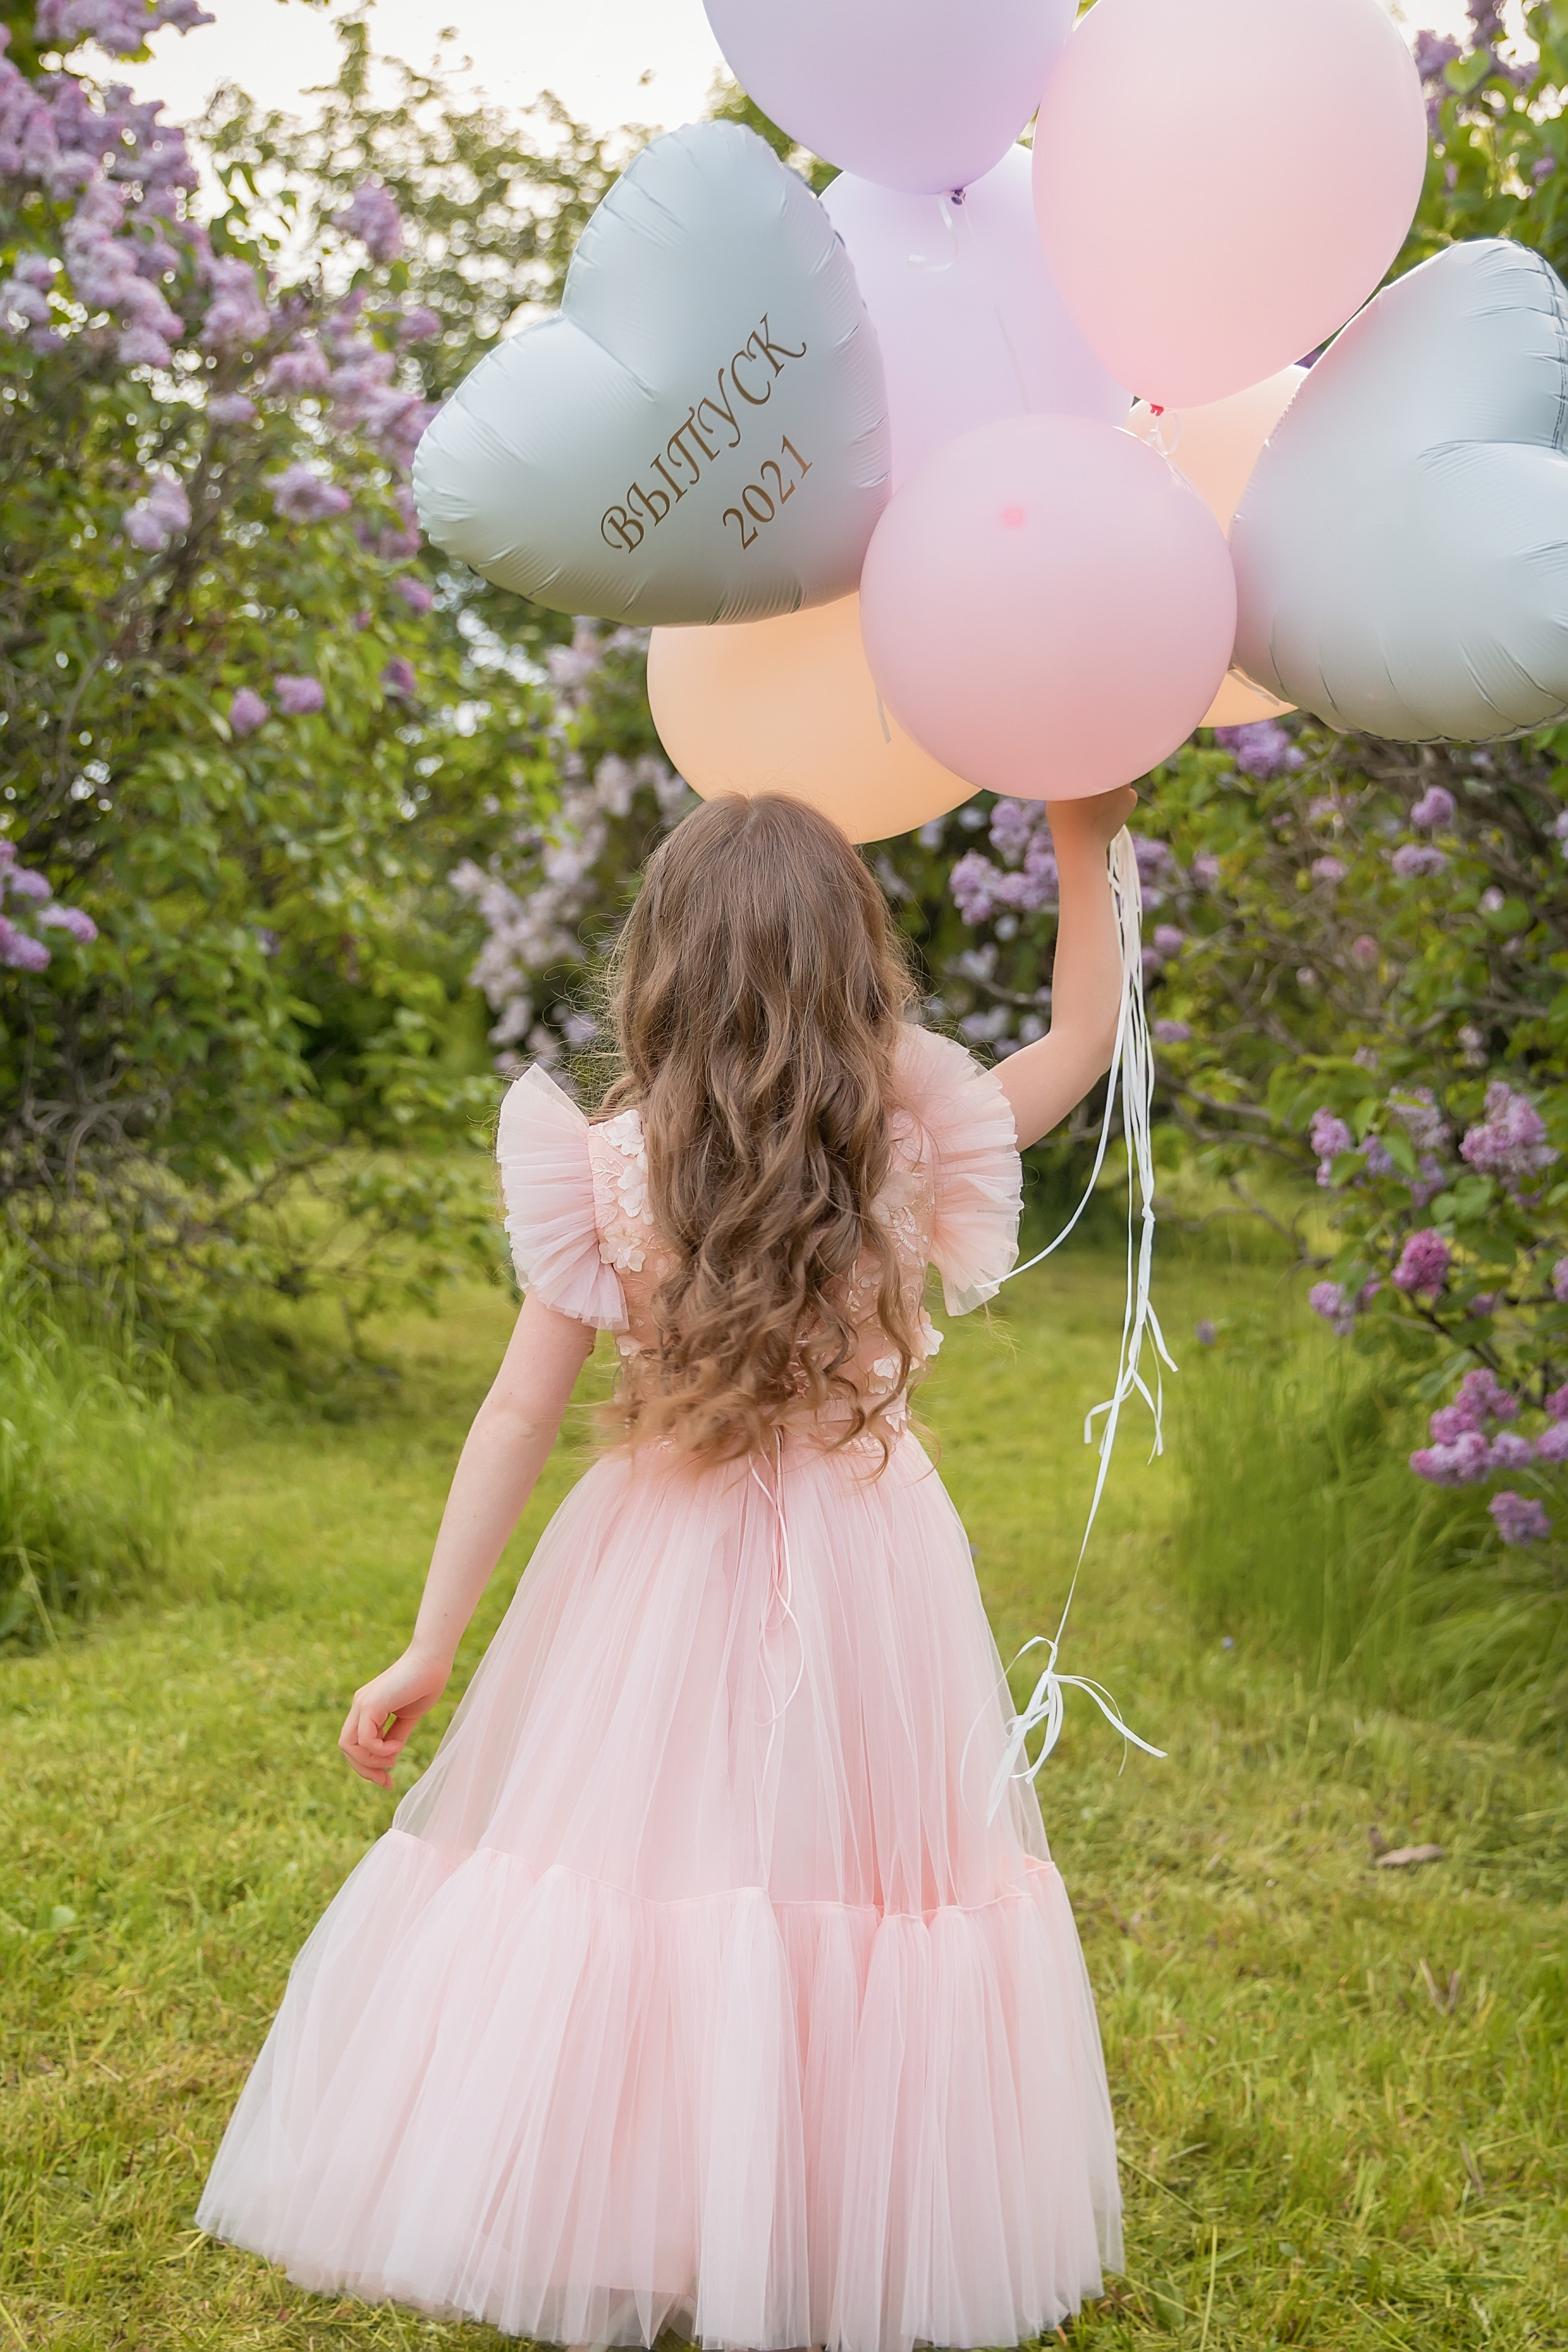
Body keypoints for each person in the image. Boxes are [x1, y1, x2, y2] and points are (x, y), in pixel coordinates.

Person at [197, 785, 1136, 2352]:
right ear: (858, 966)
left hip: (653, 1555)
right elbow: (1076, 1045)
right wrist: (1081, 845)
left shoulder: (611, 1164)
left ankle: (655, 2201)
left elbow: (518, 1406)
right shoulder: (904, 1137)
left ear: (660, 965)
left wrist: (431, 1646)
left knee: (652, 1868)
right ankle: (819, 2203)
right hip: (868, 1552)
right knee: (849, 1871)